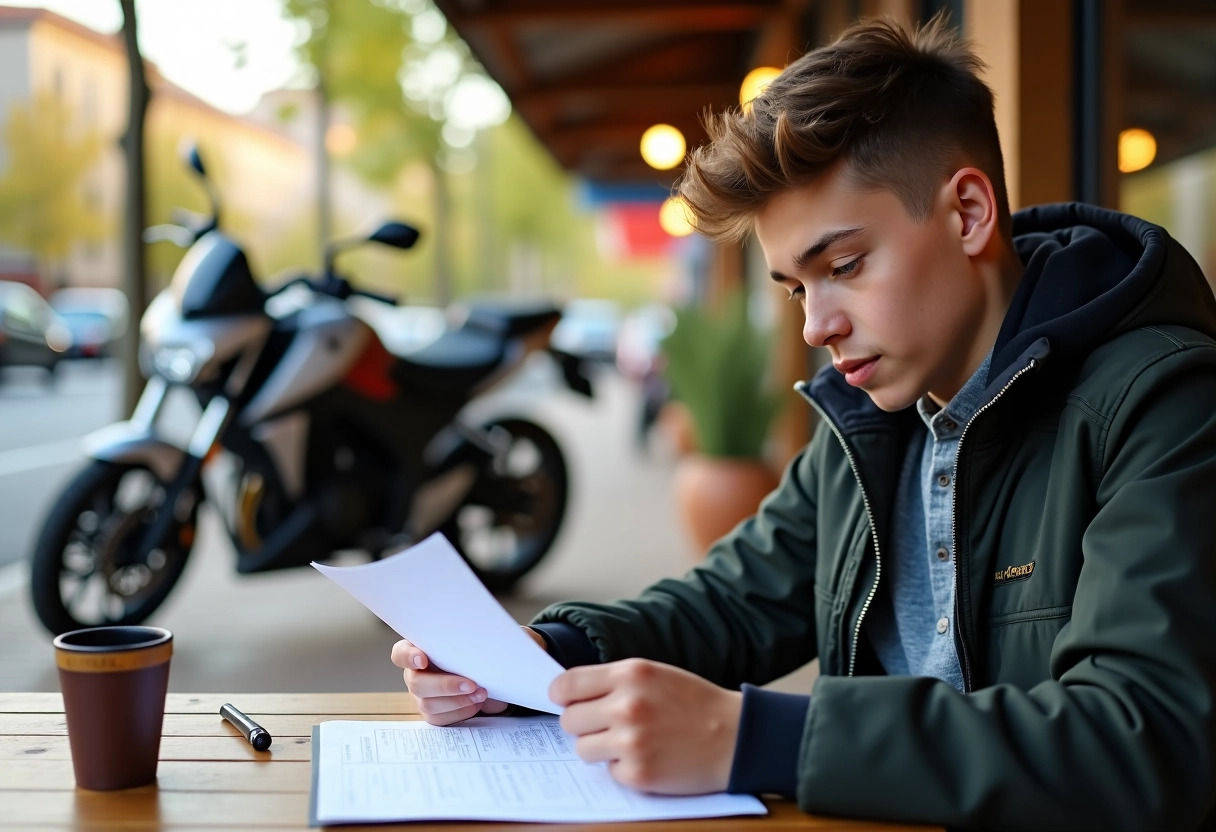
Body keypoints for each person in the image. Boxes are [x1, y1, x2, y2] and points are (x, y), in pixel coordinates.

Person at [391, 14, 1216, 830]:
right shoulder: (871, 414)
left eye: (845, 266)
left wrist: (753, 737)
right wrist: (548, 658)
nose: (818, 325)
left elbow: (1143, 740)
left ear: (967, 212)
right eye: (795, 288)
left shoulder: (1164, 400)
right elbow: (736, 601)